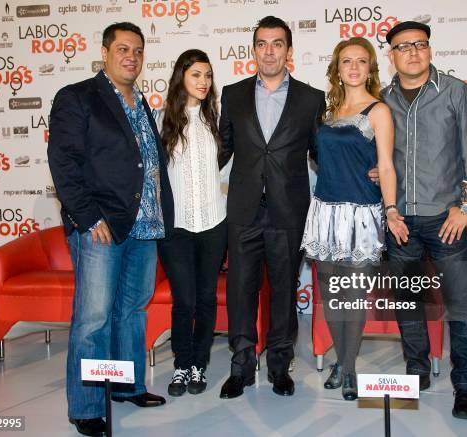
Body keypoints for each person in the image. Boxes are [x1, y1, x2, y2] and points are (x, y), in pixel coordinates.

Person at [48, 22, 174, 437]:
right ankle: (86, 406)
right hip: (101, 226)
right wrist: (87, 217)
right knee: (93, 318)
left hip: (143, 227)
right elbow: (64, 163)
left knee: (131, 313)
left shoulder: (140, 102)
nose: (131, 57)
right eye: (122, 49)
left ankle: (125, 385)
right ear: (104, 52)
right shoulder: (77, 97)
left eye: (137, 50)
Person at [381, 21, 467, 419]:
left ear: (429, 49)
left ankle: (465, 384)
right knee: (408, 301)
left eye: (420, 44)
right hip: (400, 223)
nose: (412, 51)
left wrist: (466, 208)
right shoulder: (383, 99)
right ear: (391, 54)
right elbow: (379, 159)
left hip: (446, 220)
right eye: (403, 46)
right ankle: (416, 370)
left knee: (460, 302)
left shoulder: (455, 92)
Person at [218, 16, 325, 399]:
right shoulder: (232, 94)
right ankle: (242, 366)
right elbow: (221, 150)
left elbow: (321, 155)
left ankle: (280, 365)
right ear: (253, 50)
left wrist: (363, 172)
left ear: (289, 51)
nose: (269, 51)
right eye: (262, 43)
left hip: (289, 211)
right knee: (240, 289)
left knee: (284, 290)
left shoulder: (311, 98)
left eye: (277, 44)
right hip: (244, 210)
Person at [300, 37, 408, 401]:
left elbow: (388, 165)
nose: (354, 67)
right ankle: (342, 362)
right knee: (332, 296)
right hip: (325, 212)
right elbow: (319, 158)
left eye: (362, 61)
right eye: (347, 61)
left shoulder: (378, 110)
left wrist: (390, 209)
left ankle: (347, 367)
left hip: (362, 214)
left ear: (370, 68)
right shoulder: (327, 113)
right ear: (337, 69)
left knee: (353, 297)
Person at [157, 49, 227, 397]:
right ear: (181, 76)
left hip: (214, 224)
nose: (203, 82)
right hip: (177, 228)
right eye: (196, 74)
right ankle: (181, 365)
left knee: (206, 299)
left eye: (208, 75)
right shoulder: (161, 120)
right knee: (183, 300)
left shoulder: (215, 119)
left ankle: (200, 363)